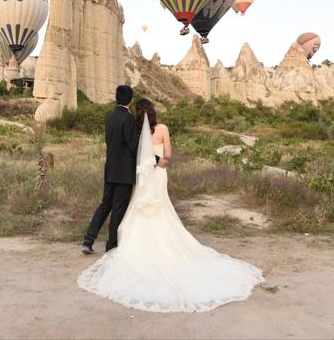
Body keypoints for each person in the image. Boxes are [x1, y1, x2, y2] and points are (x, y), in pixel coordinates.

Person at [77, 99, 264, 313]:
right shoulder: (163, 128)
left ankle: (122, 242)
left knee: (137, 205)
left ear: (137, 114)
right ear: (153, 111)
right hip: (157, 174)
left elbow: (134, 154)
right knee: (161, 206)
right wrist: (160, 159)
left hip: (142, 175)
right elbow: (168, 155)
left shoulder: (136, 129)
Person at [81, 85, 139, 254]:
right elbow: (133, 146)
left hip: (110, 168)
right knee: (118, 208)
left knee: (105, 204)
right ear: (131, 100)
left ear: (116, 98)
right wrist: (153, 157)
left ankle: (88, 240)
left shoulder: (109, 117)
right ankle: (111, 245)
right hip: (124, 171)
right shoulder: (129, 119)